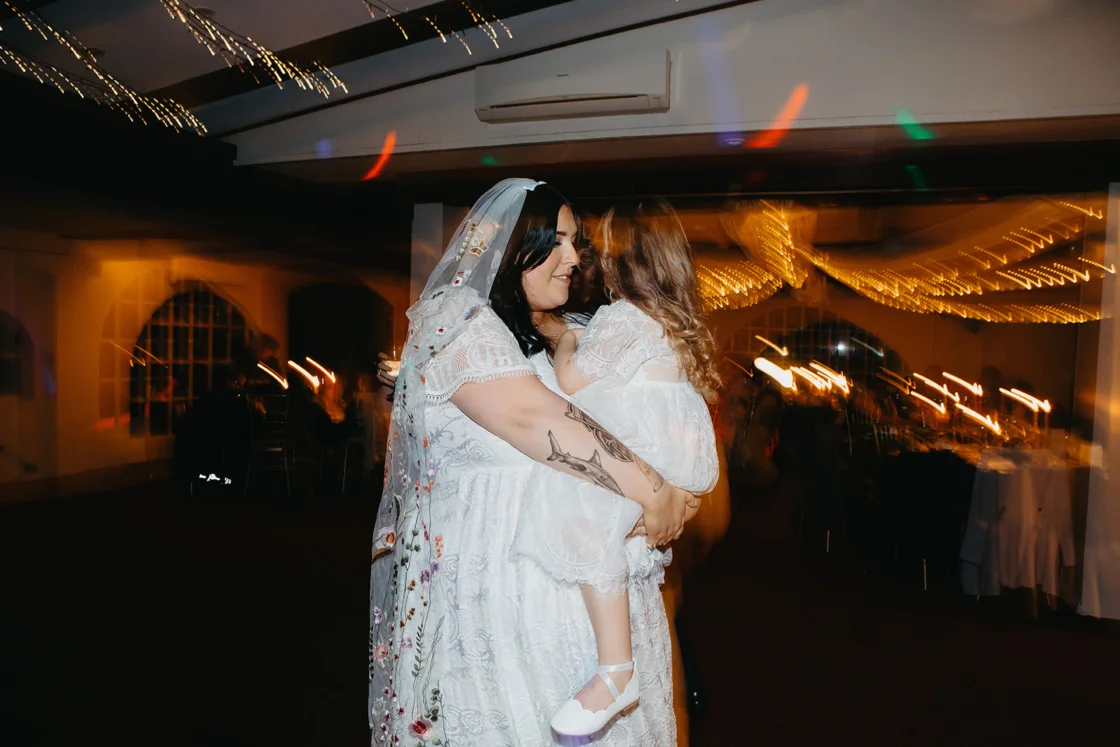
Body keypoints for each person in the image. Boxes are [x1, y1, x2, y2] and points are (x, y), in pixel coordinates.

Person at [369, 179, 692, 746]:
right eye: (556, 241)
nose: (574, 258)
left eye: (575, 243)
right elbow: (531, 416)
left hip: (581, 600)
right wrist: (652, 487)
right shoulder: (455, 320)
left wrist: (678, 483)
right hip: (495, 594)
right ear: (512, 245)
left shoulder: (563, 332)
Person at [546, 199, 719, 736]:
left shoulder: (622, 317)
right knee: (618, 544)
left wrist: (566, 338)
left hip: (641, 452)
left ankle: (616, 668)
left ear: (616, 262)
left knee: (585, 518)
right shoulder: (671, 320)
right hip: (675, 456)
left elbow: (571, 381)